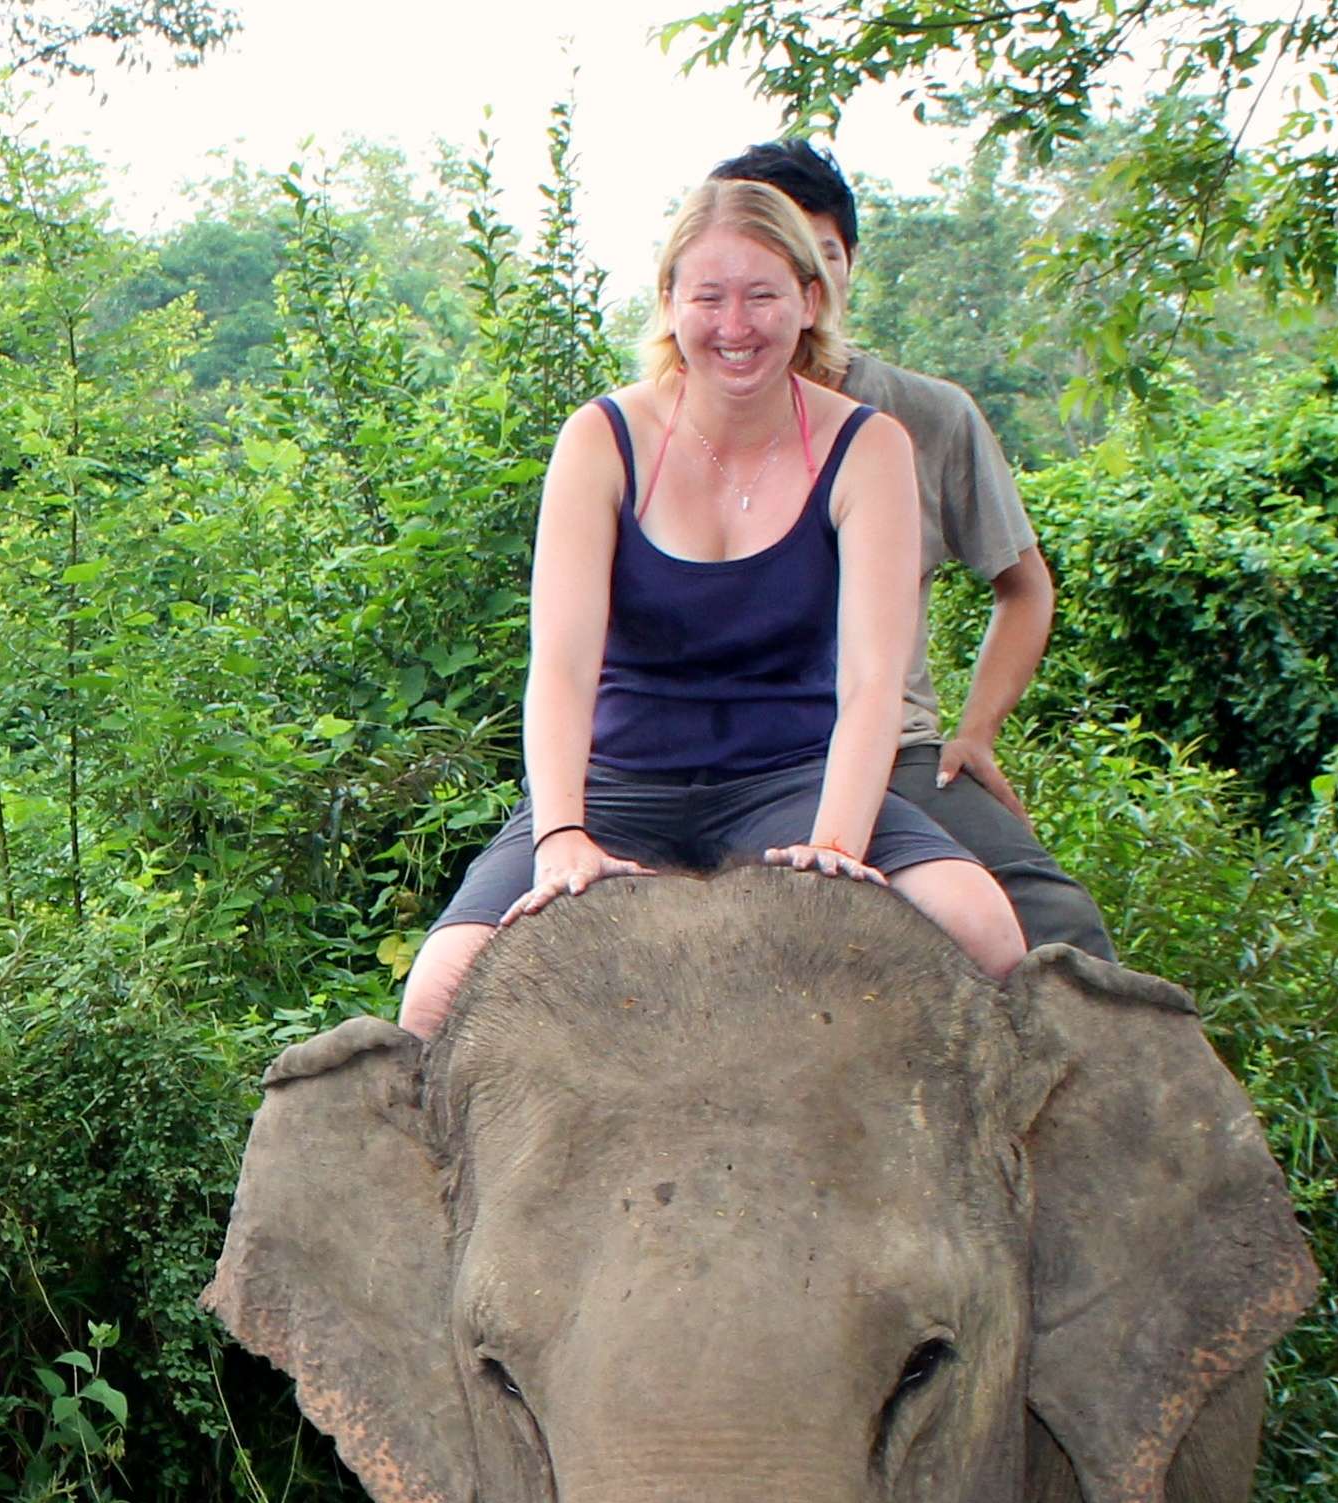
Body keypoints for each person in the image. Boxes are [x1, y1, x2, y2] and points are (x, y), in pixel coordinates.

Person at [399, 178, 1026, 1037]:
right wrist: (561, 835)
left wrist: (835, 847)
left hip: (792, 779)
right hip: (618, 783)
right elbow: (564, 668)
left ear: (810, 302)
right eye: (709, 297)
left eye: (763, 296)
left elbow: (874, 681)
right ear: (669, 303)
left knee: (988, 930)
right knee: (433, 998)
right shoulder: (602, 438)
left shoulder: (868, 446)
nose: (736, 325)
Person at [710, 138, 1116, 960]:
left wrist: (977, 732)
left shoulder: (926, 416)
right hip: (720, 755)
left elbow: (1024, 585)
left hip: (897, 757)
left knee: (1059, 924)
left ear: (838, 272)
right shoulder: (656, 428)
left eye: (817, 255)